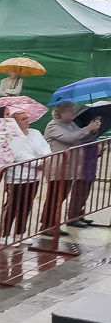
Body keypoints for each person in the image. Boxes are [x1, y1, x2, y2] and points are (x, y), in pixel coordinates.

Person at [41, 102, 101, 238]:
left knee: (61, 197)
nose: (73, 113)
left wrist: (93, 130)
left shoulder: (71, 124)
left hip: (70, 168)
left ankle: (53, 224)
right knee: (54, 197)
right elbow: (70, 138)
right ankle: (46, 224)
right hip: (58, 167)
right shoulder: (53, 125)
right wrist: (87, 128)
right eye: (69, 110)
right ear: (60, 112)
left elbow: (81, 138)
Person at [2, 111, 50, 240]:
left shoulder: (35, 133)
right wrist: (38, 162)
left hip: (35, 176)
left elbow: (45, 146)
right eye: (23, 119)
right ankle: (4, 234)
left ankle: (20, 233)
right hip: (17, 177)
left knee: (27, 205)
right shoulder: (10, 136)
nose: (27, 121)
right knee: (13, 205)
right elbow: (18, 155)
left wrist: (46, 158)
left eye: (27, 118)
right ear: (15, 122)